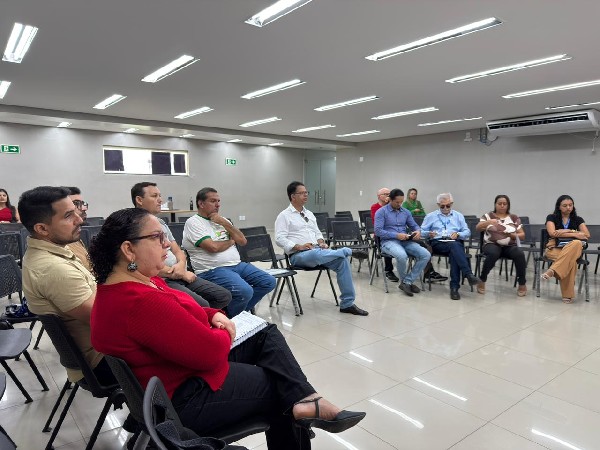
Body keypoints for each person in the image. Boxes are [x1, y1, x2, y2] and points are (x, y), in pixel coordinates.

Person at [89, 208, 366, 449]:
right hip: (183, 397)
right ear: (129, 249)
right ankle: (303, 402)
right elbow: (209, 353)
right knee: (280, 386)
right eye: (157, 237)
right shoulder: (140, 301)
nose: (167, 244)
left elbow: (184, 305)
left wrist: (212, 315)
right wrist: (224, 330)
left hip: (173, 373)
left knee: (264, 334)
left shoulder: (134, 281)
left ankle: (308, 398)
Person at [19, 186, 115, 385]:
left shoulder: (54, 250)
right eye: (69, 215)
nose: (80, 219)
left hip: (101, 350)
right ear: (42, 229)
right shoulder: (53, 269)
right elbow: (108, 321)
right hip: (102, 361)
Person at [132, 182, 231, 310]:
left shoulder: (161, 223)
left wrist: (181, 266)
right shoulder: (134, 227)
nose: (160, 200)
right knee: (202, 305)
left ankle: (204, 319)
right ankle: (199, 318)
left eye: (160, 195)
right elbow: (141, 264)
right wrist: (180, 273)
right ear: (139, 200)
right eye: (154, 196)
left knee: (223, 296)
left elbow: (178, 250)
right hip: (162, 278)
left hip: (180, 273)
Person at [275, 181, 368, 316]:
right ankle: (347, 251)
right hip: (299, 255)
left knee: (342, 261)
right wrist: (298, 246)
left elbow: (317, 233)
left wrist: (321, 242)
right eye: (302, 193)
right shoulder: (284, 216)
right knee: (317, 254)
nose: (306, 195)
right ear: (293, 196)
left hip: (318, 251)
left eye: (306, 192)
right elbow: (279, 238)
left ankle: (347, 304)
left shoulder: (309, 214)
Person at [183, 187, 275, 317]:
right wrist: (232, 241)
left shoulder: (223, 220)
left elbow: (242, 241)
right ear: (201, 204)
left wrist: (224, 223)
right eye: (213, 201)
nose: (217, 204)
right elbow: (213, 247)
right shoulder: (193, 222)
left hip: (237, 265)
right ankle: (229, 318)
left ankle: (237, 314)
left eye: (218, 201)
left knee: (268, 282)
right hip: (212, 270)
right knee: (245, 291)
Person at [421, 193, 481, 300]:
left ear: (452, 204)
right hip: (438, 243)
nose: (445, 208)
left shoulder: (458, 216)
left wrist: (458, 234)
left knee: (454, 251)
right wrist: (428, 233)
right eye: (442, 206)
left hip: (454, 242)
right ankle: (467, 274)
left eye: (448, 206)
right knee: (455, 247)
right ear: (438, 205)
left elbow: (467, 232)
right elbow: (421, 231)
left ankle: (454, 289)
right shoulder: (431, 216)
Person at [374, 188, 431, 296]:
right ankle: (405, 282)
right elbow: (378, 231)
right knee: (402, 256)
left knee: (425, 255)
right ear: (390, 199)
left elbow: (414, 225)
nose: (400, 204)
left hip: (405, 241)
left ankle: (407, 282)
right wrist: (396, 235)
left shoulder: (406, 212)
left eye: (401, 202)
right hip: (388, 242)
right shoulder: (381, 212)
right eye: (397, 202)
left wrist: (417, 231)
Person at [475, 195, 527, 297]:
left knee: (519, 254)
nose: (502, 206)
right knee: (494, 253)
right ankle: (482, 279)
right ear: (495, 204)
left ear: (508, 205)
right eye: (499, 203)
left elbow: (522, 235)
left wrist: (512, 235)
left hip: (509, 246)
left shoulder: (514, 218)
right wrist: (489, 222)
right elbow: (478, 228)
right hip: (491, 244)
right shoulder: (488, 216)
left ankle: (522, 283)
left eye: (505, 204)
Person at [541, 195, 590, 303]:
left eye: (570, 205)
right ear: (559, 207)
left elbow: (586, 235)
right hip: (554, 248)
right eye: (565, 205)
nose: (568, 207)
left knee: (577, 243)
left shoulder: (578, 219)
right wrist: (576, 233)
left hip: (573, 248)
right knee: (571, 261)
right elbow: (552, 233)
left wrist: (566, 231)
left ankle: (552, 270)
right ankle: (567, 295)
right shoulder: (551, 217)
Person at [371, 188, 398, 282]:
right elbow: (378, 223)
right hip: (380, 235)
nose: (388, 196)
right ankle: (388, 270)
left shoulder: (393, 206)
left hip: (393, 232)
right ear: (379, 196)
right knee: (387, 242)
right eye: (386, 194)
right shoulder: (375, 207)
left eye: (389, 194)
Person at [64, 186, 92, 270]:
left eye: (82, 203)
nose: (84, 208)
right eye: (76, 203)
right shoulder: (61, 243)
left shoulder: (75, 237)